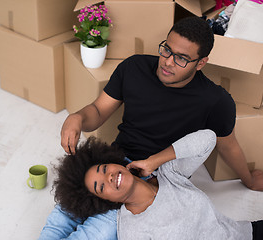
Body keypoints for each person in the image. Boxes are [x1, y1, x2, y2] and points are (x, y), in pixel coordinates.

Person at [39, 16, 263, 239]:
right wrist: (76, 118)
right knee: (60, 218)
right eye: (166, 50)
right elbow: (98, 110)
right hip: (112, 163)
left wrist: (249, 180)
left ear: (201, 62)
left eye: (181, 58)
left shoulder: (216, 101)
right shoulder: (134, 67)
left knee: (99, 233)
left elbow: (227, 146)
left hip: (159, 180)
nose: (167, 61)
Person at [54, 130, 262, 239]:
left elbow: (207, 138)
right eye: (101, 187)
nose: (108, 177)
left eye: (104, 169)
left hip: (246, 233)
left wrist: (153, 161)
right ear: (103, 201)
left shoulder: (169, 174)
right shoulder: (132, 230)